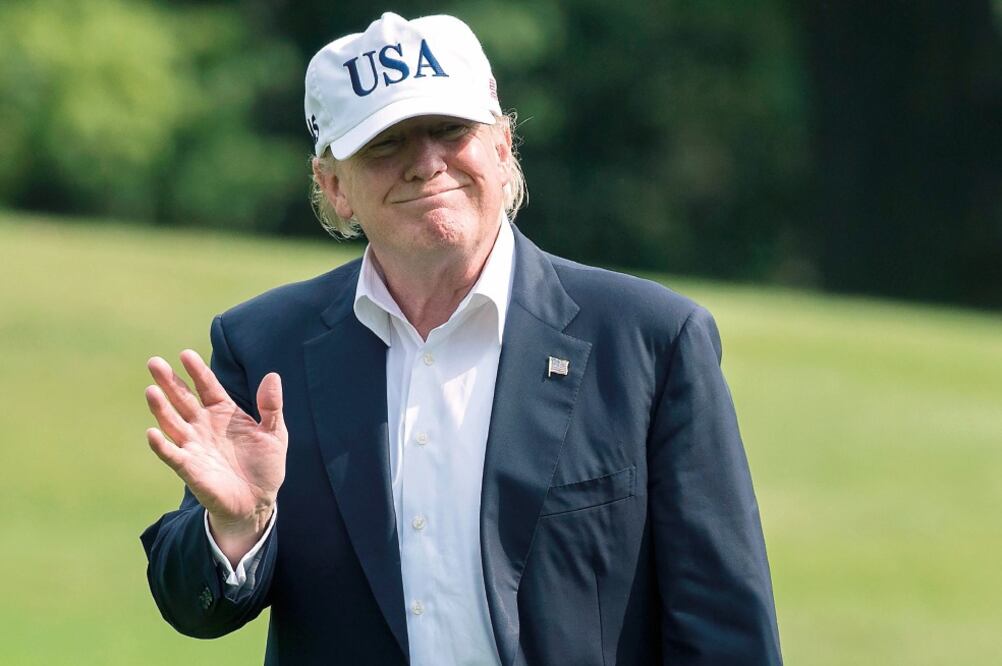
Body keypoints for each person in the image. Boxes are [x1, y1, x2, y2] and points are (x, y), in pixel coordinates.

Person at [141, 11, 782, 665]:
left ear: (502, 149)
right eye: (386, 143)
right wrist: (236, 530)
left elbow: (725, 631)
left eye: (450, 129)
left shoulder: (651, 341)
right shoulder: (263, 344)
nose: (426, 163)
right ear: (334, 187)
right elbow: (195, 607)